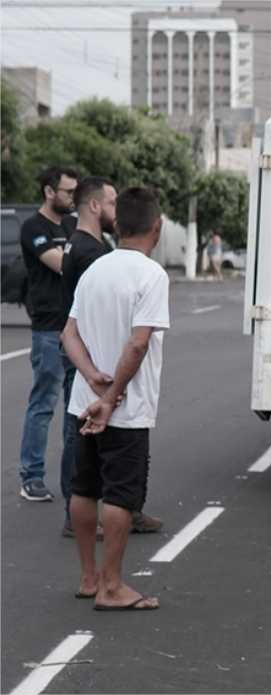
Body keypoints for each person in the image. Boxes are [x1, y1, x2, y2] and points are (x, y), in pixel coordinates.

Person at [62, 187, 169, 611]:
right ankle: (112, 587)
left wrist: (90, 376)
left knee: (84, 488)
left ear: (118, 225)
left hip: (82, 402)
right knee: (121, 495)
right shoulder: (151, 275)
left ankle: (89, 578)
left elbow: (68, 334)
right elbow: (138, 343)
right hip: (125, 409)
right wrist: (109, 398)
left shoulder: (95, 269)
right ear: (156, 227)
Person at [16, 166, 79, 502]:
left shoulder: (71, 225)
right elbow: (61, 264)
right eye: (68, 192)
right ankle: (32, 476)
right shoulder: (33, 227)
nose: (73, 197)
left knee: (74, 407)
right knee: (43, 404)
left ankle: (73, 478)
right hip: (49, 327)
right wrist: (77, 255)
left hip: (74, 327)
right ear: (49, 192)